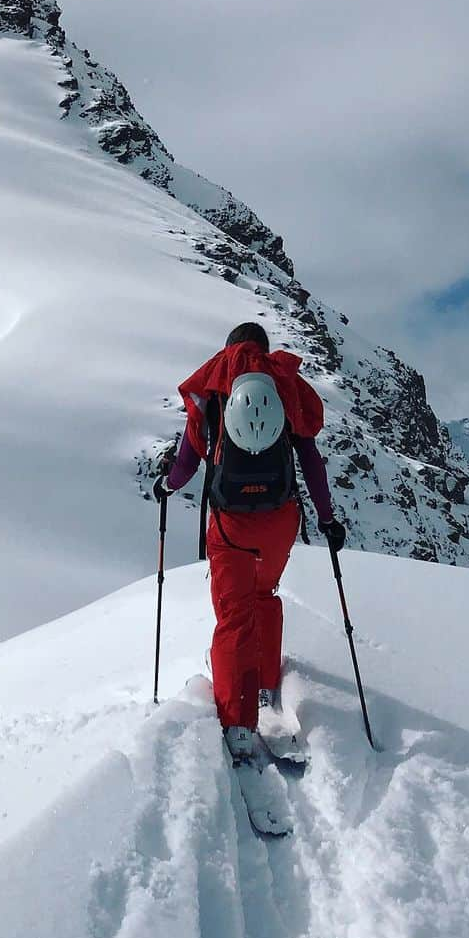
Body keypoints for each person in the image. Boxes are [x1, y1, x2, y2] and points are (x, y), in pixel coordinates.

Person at [153, 322, 344, 761]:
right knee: (263, 594)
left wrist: (167, 485)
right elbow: (311, 462)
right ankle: (264, 682)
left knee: (234, 616)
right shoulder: (285, 384)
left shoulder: (215, 384)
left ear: (229, 349)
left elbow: (187, 460)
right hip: (280, 521)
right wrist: (328, 518)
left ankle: (238, 724)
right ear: (262, 347)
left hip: (231, 525)